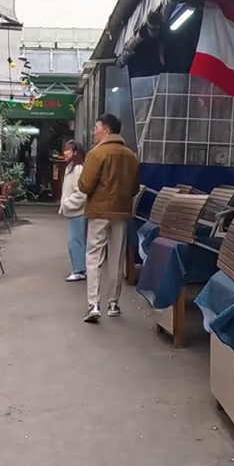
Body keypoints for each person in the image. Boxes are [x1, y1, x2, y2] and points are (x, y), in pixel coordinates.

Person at [76, 113, 140, 323]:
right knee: (116, 257)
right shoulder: (131, 156)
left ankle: (93, 304)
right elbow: (134, 188)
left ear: (106, 130)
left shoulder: (96, 154)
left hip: (98, 212)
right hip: (121, 213)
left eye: (96, 128)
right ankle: (113, 303)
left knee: (94, 256)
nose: (94, 132)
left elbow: (85, 185)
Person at [58, 140, 88, 283]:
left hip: (77, 212)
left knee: (75, 241)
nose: (65, 153)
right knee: (75, 241)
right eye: (65, 150)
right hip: (74, 211)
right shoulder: (71, 167)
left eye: (68, 150)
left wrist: (67, 203)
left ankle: (79, 270)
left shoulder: (78, 169)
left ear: (75, 152)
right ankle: (79, 268)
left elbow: (81, 193)